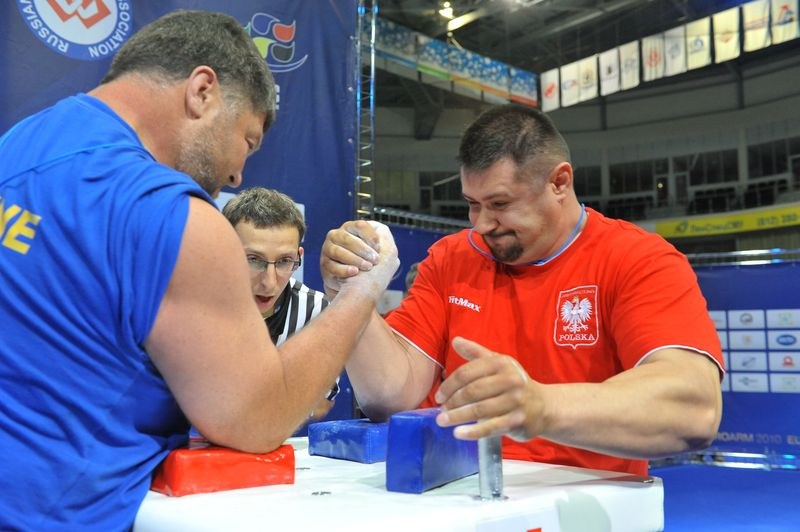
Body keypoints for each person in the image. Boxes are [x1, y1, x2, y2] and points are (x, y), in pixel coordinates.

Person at [0, 10, 397, 529]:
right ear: (202, 91)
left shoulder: (19, 144)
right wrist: (361, 293)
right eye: (247, 140)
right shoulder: (172, 213)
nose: (237, 171)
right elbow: (255, 418)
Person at [321, 104, 724, 477]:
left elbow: (695, 409)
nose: (480, 223)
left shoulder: (637, 259)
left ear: (559, 182)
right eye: (472, 203)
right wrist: (350, 292)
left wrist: (539, 407)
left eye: (499, 203)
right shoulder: (452, 258)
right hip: (462, 503)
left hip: (582, 509)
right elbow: (392, 397)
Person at [222, 187, 338, 421]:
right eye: (253, 259)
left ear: (299, 255)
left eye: (285, 261)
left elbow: (322, 402)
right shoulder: (192, 302)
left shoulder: (316, 311)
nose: (269, 282)